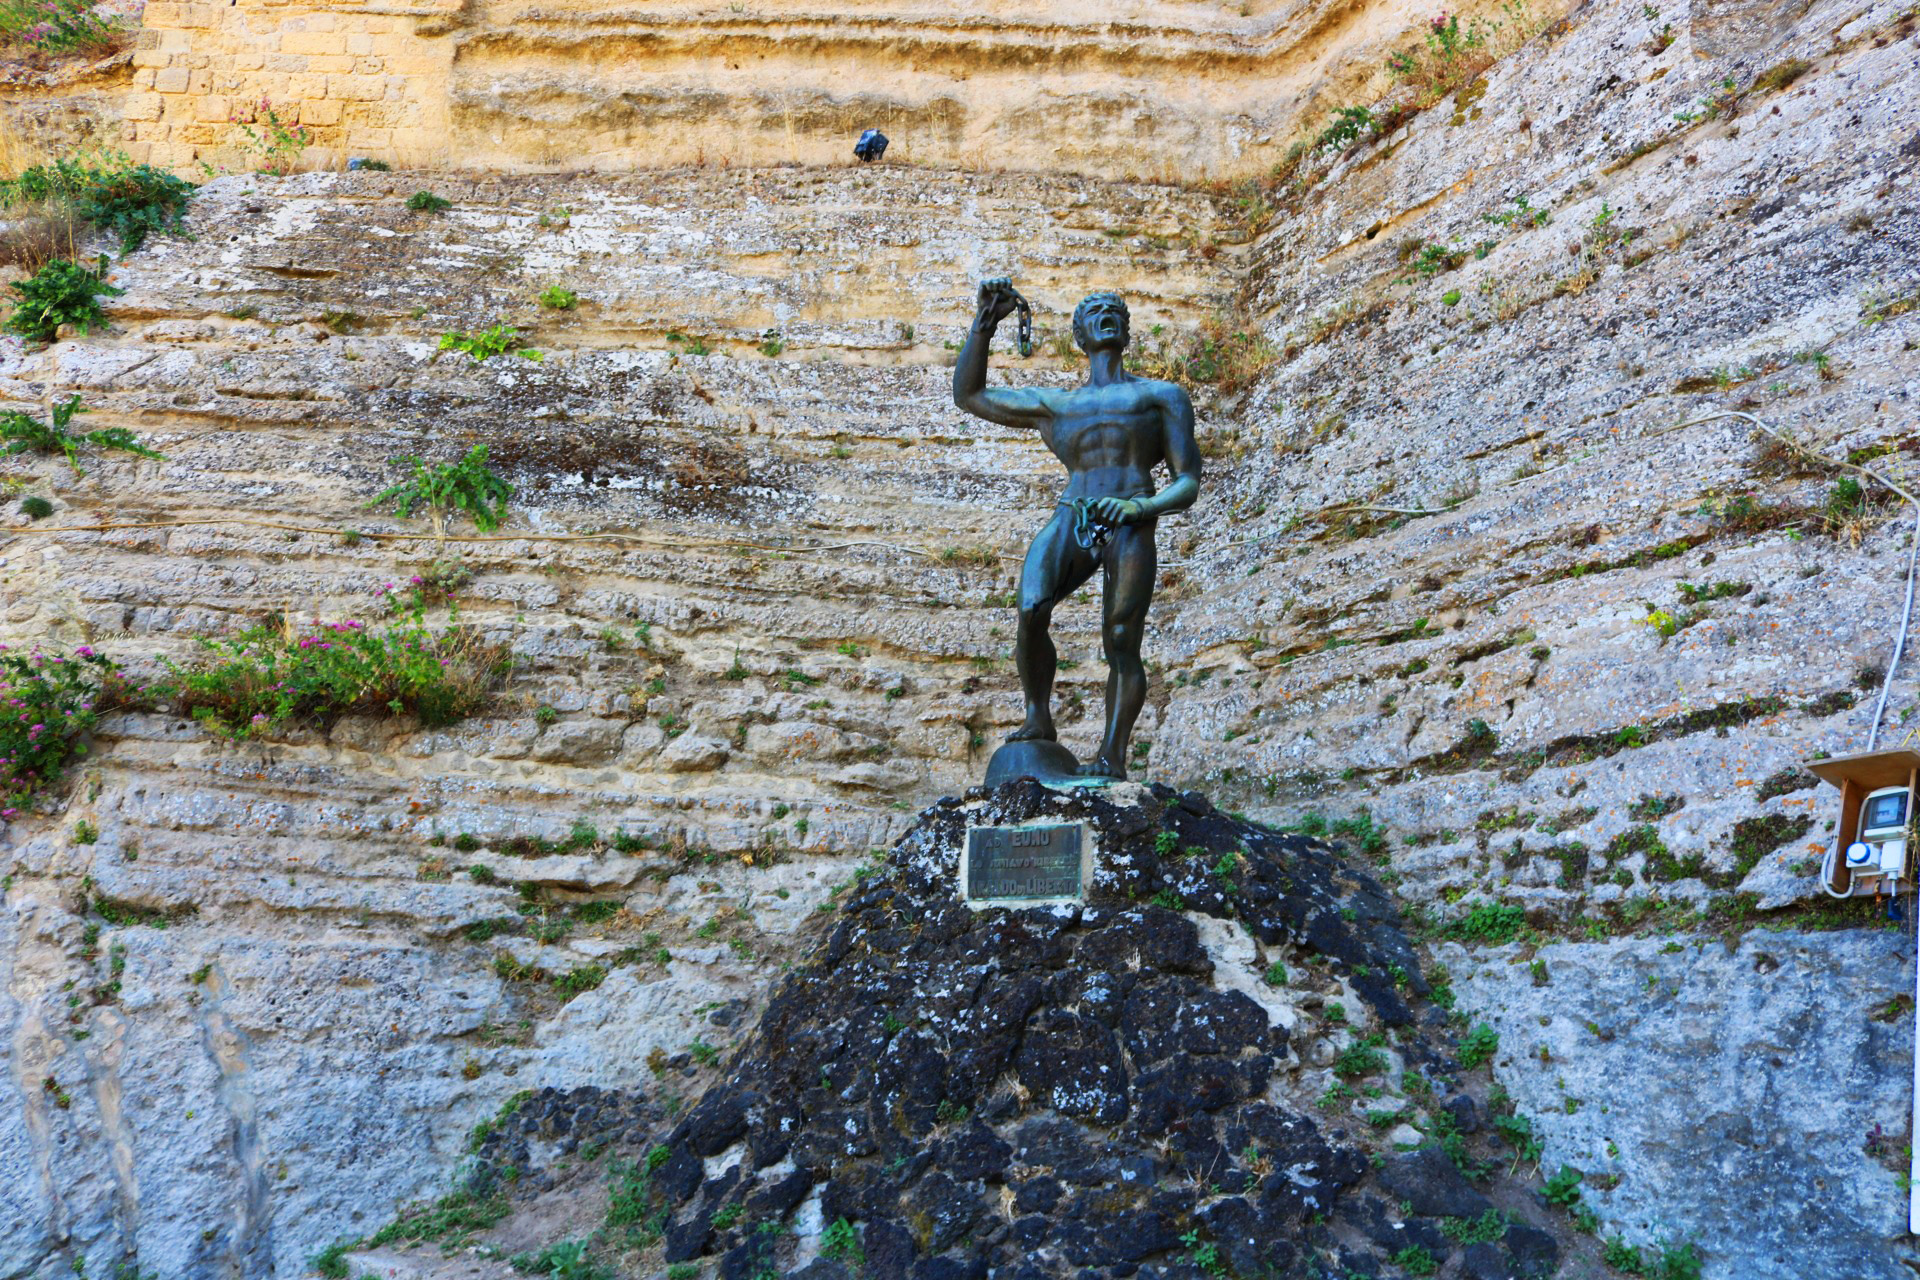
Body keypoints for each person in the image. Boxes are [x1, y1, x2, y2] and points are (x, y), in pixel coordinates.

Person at [952, 279, 1201, 779]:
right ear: (1080, 335)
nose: (1107, 314)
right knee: (1030, 606)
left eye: (1115, 311)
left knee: (1121, 635)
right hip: (1074, 511)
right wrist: (985, 324)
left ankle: (1112, 755)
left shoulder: (1160, 396)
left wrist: (1142, 508)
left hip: (1130, 513)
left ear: (1125, 332)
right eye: (1096, 312)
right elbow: (970, 395)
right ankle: (1038, 716)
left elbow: (1188, 481)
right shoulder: (1056, 405)